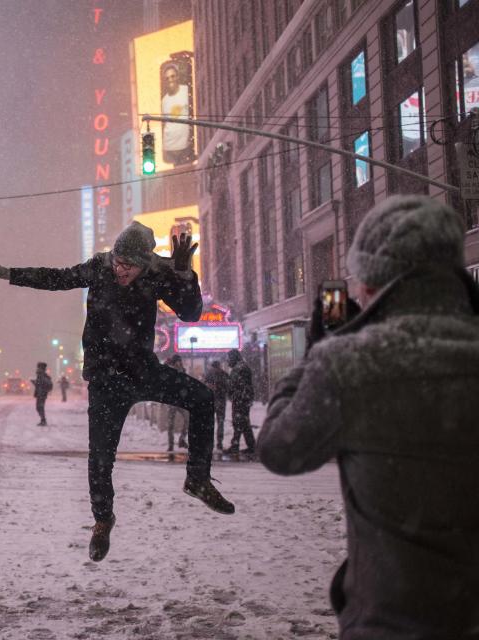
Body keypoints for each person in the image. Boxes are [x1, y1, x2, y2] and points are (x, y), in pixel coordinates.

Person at [258, 195, 479, 638]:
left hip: (389, 622)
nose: (355, 291)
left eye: (359, 280)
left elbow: (279, 448)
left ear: (375, 283)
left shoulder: (346, 366)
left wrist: (318, 353)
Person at [0, 221, 234, 563]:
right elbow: (56, 278)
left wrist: (185, 274)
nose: (120, 270)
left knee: (203, 399)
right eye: (117, 261)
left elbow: (191, 313)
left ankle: (197, 480)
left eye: (128, 266)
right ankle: (102, 520)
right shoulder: (100, 267)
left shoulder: (158, 273)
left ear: (144, 263)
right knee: (100, 458)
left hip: (143, 371)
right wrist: (7, 273)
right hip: (105, 380)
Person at [160, 62, 194, 166]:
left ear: (178, 77)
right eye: (167, 78)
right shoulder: (164, 100)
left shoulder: (186, 91)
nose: (170, 79)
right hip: (170, 147)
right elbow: (165, 122)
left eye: (172, 76)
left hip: (185, 146)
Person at [225, 349, 255, 454]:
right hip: (243, 399)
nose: (228, 361)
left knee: (238, 421)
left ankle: (236, 444)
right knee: (244, 422)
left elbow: (234, 385)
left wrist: (231, 392)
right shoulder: (242, 367)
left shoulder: (238, 369)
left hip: (240, 399)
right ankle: (251, 446)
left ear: (233, 358)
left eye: (229, 359)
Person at [164, 354, 189, 451]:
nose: (179, 363)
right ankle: (171, 445)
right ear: (175, 362)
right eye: (178, 361)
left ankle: (182, 440)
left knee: (188, 419)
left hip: (180, 400)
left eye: (180, 361)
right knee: (170, 424)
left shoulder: (182, 371)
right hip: (171, 401)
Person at [203, 360, 229, 450]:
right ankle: (219, 442)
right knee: (220, 422)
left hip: (211, 401)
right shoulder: (224, 374)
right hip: (220, 401)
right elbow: (228, 387)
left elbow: (204, 386)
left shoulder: (209, 374)